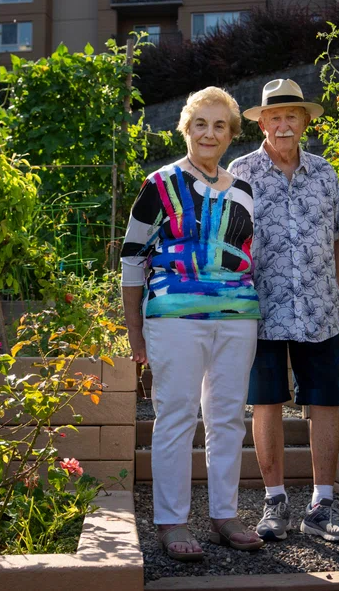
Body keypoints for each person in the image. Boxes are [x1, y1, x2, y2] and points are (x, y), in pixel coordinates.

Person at [120, 87, 264, 562]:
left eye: (220, 125)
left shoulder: (242, 188)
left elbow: (248, 256)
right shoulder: (159, 184)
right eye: (200, 123)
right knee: (177, 415)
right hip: (175, 318)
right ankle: (172, 521)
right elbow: (132, 260)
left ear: (231, 134)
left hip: (237, 316)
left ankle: (225, 515)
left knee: (226, 418)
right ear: (186, 128)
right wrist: (135, 333)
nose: (209, 133)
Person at [228, 78, 339, 543]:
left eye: (292, 117)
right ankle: (275, 502)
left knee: (324, 402)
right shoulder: (239, 173)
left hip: (320, 308)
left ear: (305, 122)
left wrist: (337, 293)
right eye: (275, 118)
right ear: (261, 123)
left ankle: (323, 504)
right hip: (260, 310)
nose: (283, 126)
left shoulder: (325, 173)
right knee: (267, 402)